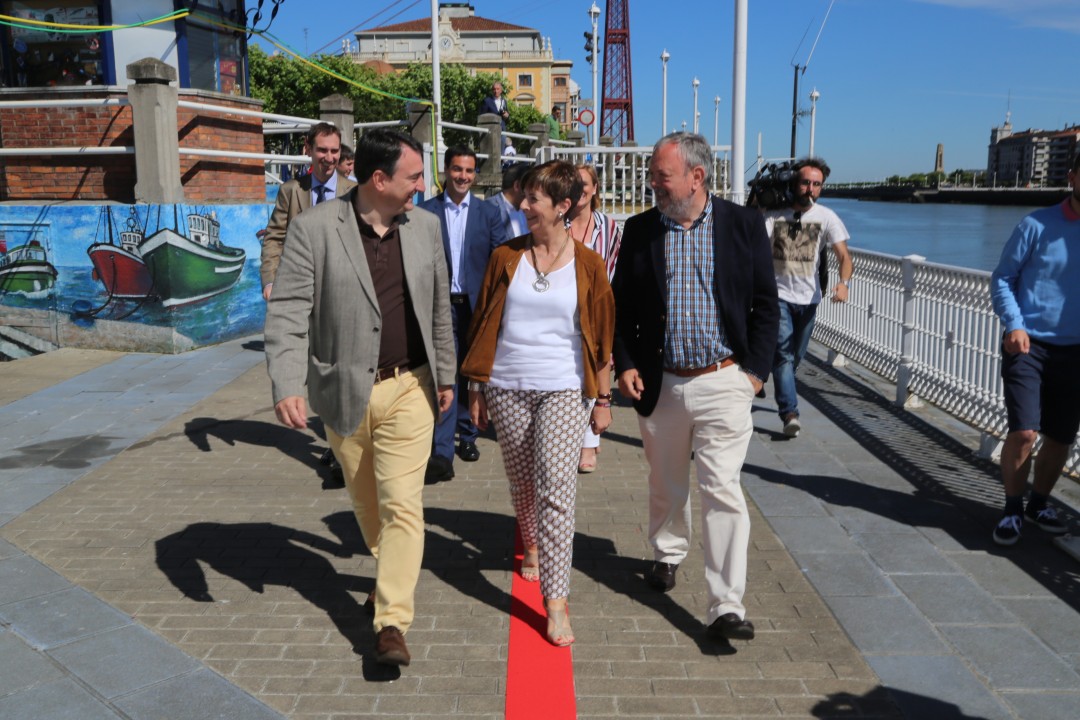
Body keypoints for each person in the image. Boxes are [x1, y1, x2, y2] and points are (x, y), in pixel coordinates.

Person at [264, 129, 456, 667]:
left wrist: (446, 375)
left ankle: (392, 622)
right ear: (379, 179)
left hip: (410, 387)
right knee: (368, 505)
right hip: (343, 390)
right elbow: (289, 312)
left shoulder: (426, 228)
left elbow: (439, 309)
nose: (423, 186)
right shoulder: (314, 229)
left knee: (402, 505)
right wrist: (287, 383)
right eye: (413, 177)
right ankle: (388, 571)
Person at [612, 132, 778, 643]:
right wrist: (624, 364)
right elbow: (620, 306)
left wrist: (753, 375)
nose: (653, 184)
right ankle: (667, 552)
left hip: (724, 381)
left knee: (722, 490)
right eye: (652, 175)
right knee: (666, 482)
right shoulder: (640, 230)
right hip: (660, 383)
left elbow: (766, 305)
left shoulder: (743, 225)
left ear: (696, 177)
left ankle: (726, 604)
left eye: (661, 175)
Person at [461, 160, 614, 647]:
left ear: (563, 206)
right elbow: (483, 322)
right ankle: (530, 542)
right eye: (525, 197)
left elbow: (602, 338)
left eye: (534, 199)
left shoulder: (589, 264)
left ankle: (556, 600)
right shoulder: (506, 256)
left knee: (556, 488)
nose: (524, 205)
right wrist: (475, 386)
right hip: (507, 384)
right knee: (523, 483)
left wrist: (603, 398)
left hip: (565, 387)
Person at [988, 151, 1080, 546]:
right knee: (1025, 432)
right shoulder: (1036, 224)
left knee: (1060, 437)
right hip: (1029, 345)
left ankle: (1038, 504)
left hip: (1075, 352)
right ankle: (1012, 509)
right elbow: (1002, 278)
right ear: (1073, 177)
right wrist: (1014, 323)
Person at [419, 147, 508, 483]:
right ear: (446, 170)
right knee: (444, 374)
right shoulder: (425, 212)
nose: (463, 176)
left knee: (471, 372)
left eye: (469, 171)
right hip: (440, 306)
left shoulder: (488, 213)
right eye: (457, 169)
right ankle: (441, 452)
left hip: (474, 306)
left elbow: (500, 258)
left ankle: (468, 435)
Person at [761, 158, 853, 438]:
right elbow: (753, 246)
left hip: (809, 298)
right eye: (805, 182)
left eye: (816, 184)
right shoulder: (774, 215)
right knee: (784, 355)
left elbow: (844, 256)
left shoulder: (827, 217)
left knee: (795, 357)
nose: (810, 189)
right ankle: (790, 413)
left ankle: (769, 374)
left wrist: (843, 283)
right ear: (794, 183)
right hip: (778, 296)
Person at [260, 122, 356, 301]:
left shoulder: (355, 193)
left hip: (343, 293)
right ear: (308, 149)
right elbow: (274, 238)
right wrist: (270, 282)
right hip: (298, 289)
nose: (329, 158)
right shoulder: (290, 191)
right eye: (322, 150)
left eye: (334, 151)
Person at [571, 163, 622, 473]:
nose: (580, 189)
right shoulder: (558, 221)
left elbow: (615, 267)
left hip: (597, 309)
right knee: (574, 376)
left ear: (594, 189)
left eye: (585, 184)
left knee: (596, 370)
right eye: (574, 183)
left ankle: (589, 441)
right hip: (565, 309)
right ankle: (580, 434)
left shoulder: (608, 227)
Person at [488, 162, 529, 241]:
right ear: (517, 186)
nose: (533, 190)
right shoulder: (488, 209)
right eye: (529, 186)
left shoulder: (530, 209)